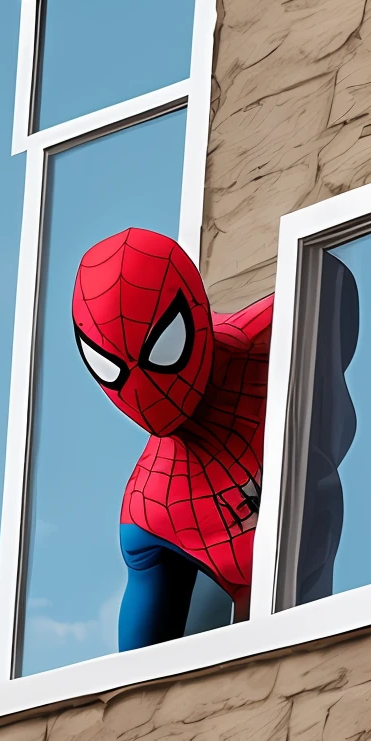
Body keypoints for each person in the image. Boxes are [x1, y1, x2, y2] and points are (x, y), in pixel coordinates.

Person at [71, 229, 271, 646]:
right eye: (112, 368)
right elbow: (137, 687)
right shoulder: (148, 512)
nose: (142, 390)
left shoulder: (277, 330)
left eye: (160, 349)